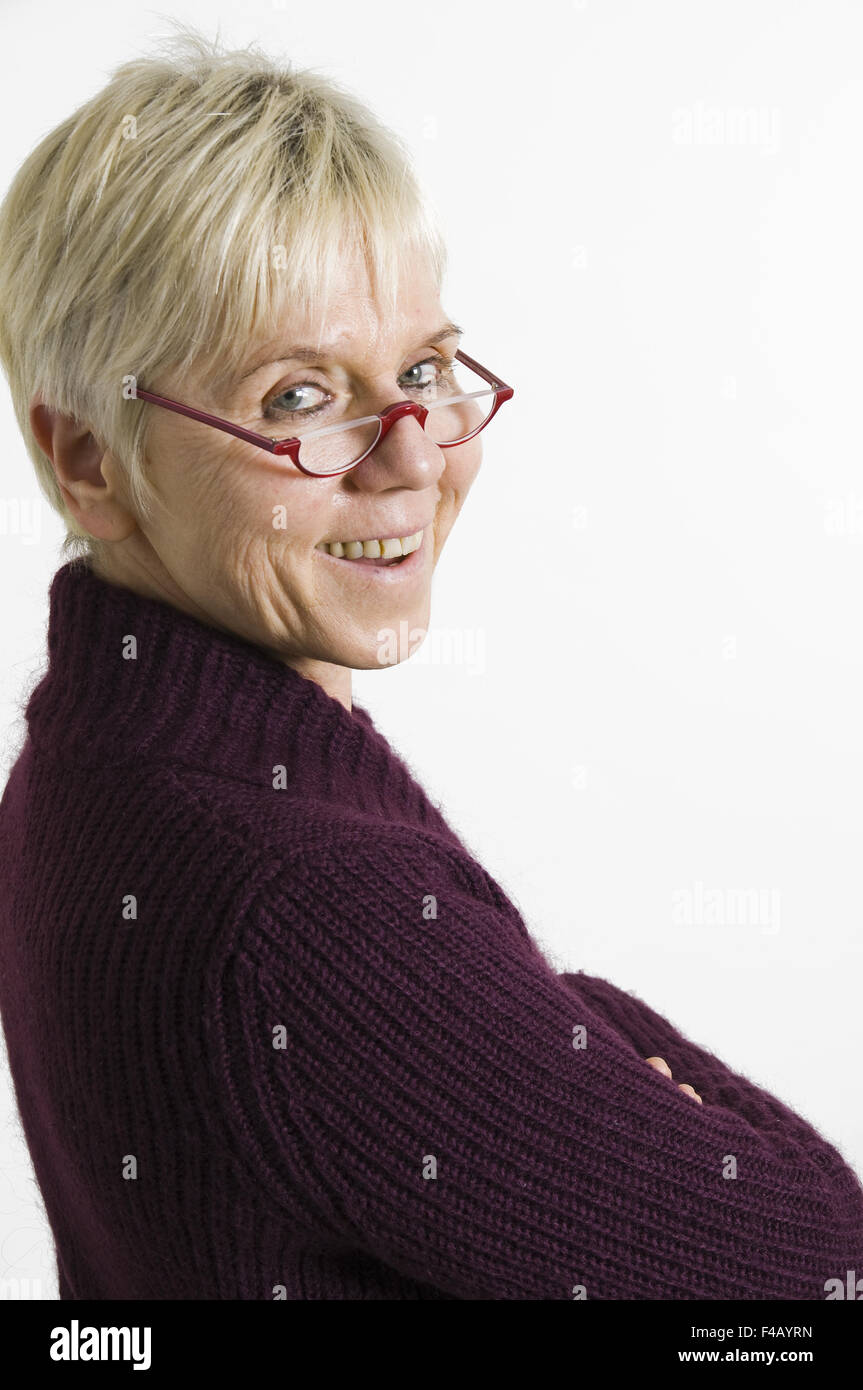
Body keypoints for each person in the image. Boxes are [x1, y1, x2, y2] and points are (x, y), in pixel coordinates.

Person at [0, 29, 860, 1300]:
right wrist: (600, 1043)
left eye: (417, 371)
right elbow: (818, 1271)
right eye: (298, 399)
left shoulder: (91, 753)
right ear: (87, 462)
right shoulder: (309, 913)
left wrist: (531, 1018)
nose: (410, 459)